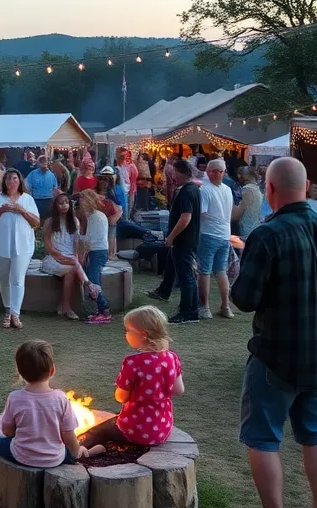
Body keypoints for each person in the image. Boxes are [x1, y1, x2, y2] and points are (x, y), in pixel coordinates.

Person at [231, 156, 317, 508]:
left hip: (276, 357)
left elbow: (244, 298)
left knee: (264, 439)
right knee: (316, 433)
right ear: (306, 186)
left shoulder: (267, 235)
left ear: (269, 190)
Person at [0, 339, 88, 486]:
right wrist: (75, 452)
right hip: (54, 459)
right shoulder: (61, 398)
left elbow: (7, 431)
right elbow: (69, 436)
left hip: (22, 455)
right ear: (52, 371)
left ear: (19, 372)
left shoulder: (15, 398)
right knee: (70, 451)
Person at [79, 306, 185, 448]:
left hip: (136, 430)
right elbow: (178, 390)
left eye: (128, 330)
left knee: (97, 431)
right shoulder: (171, 358)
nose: (126, 334)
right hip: (162, 428)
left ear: (143, 335)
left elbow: (121, 397)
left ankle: (74, 452)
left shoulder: (133, 362)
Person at [0, 168, 41, 329]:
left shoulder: (27, 199)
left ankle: (15, 314)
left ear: (20, 181)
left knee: (17, 279)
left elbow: (36, 223)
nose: (11, 181)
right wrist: (1, 210)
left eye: (14, 178)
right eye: (8, 178)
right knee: (4, 279)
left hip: (23, 246)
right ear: (4, 181)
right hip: (1, 245)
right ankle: (8, 310)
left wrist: (21, 210)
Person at [147, 159, 201, 324]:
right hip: (188, 239)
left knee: (186, 277)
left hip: (183, 240)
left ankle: (188, 312)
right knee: (186, 274)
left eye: (174, 172)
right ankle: (190, 308)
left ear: (180, 172)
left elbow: (185, 218)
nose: (172, 177)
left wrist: (171, 237)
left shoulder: (186, 191)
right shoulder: (194, 189)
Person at [40, 193, 100, 321]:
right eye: (61, 203)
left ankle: (65, 306)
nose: (64, 205)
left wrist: (76, 257)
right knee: (73, 266)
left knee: (72, 269)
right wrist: (60, 257)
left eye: (66, 202)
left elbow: (76, 244)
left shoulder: (75, 221)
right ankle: (88, 285)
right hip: (53, 259)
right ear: (56, 206)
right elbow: (48, 245)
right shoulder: (50, 222)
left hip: (70, 260)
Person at [198, 158, 235, 320]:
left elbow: (202, 213)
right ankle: (225, 306)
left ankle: (205, 307)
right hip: (224, 234)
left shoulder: (204, 189)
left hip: (209, 233)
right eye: (215, 171)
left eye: (219, 171)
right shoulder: (228, 189)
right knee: (221, 270)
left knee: (204, 271)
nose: (218, 174)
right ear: (208, 171)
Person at [76, 189, 113, 324]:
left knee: (92, 280)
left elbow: (90, 240)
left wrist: (76, 236)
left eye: (82, 200)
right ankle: (100, 310)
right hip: (96, 251)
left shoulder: (95, 217)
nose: (80, 203)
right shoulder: (94, 216)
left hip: (98, 252)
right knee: (91, 278)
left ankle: (104, 310)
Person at [232, 166, 264, 240]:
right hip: (255, 227)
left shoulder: (248, 189)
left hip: (246, 229)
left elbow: (237, 214)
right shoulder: (257, 188)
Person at [25, 155, 58, 220]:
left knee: (47, 220)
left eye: (46, 162)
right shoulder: (33, 174)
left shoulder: (52, 175)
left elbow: (55, 189)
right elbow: (27, 187)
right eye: (43, 162)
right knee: (36, 220)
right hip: (36, 201)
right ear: (39, 163)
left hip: (48, 201)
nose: (45, 165)